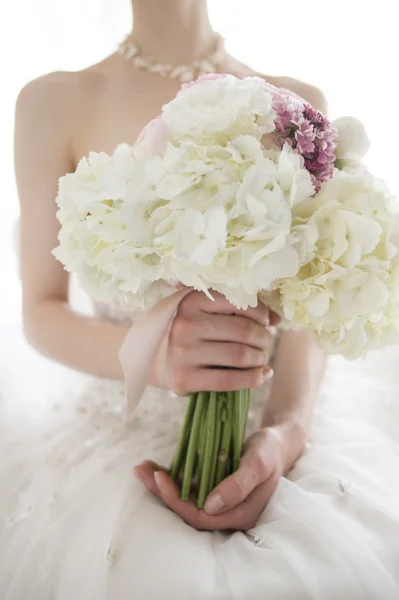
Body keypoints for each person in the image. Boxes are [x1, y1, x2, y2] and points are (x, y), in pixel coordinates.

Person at [1, 1, 398, 598]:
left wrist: (285, 429)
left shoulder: (296, 100)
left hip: (269, 412)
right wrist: (157, 359)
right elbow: (41, 310)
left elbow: (314, 293)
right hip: (128, 420)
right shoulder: (53, 100)